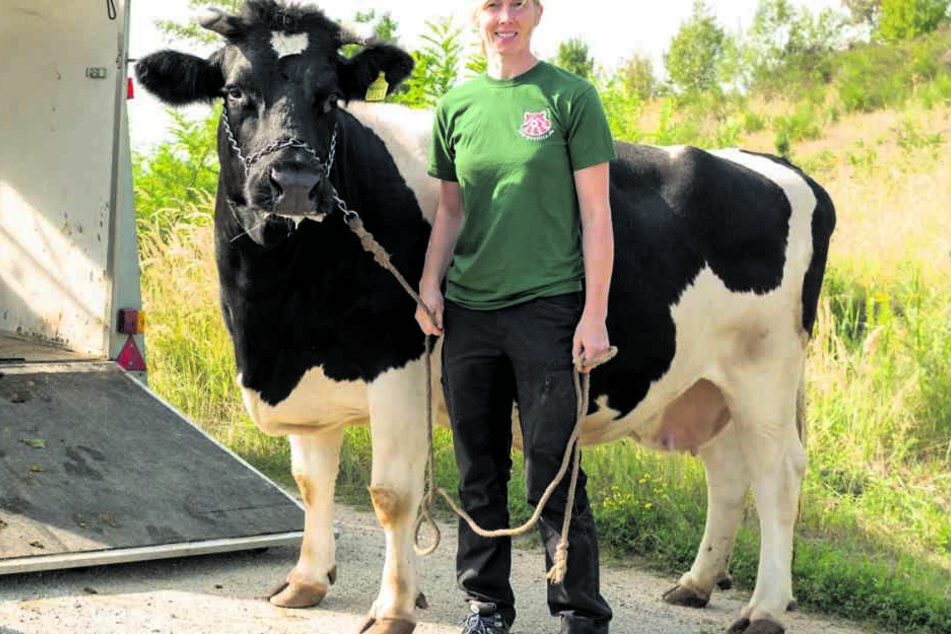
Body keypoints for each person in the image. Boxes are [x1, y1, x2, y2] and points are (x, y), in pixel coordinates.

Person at [414, 0, 616, 632]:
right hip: (470, 314)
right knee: (478, 467)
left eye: (518, 5)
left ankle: (580, 612)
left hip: (549, 309)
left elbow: (597, 215)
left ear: (537, 13)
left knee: (552, 469)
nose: (505, 16)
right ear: (478, 16)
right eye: (492, 5)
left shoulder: (569, 97)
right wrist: (429, 285)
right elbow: (450, 211)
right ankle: (486, 606)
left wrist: (595, 315)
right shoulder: (455, 106)